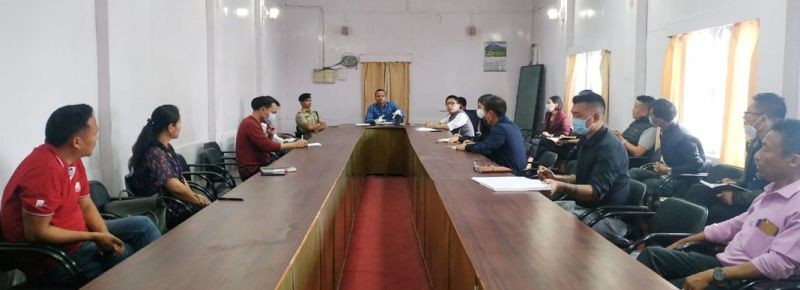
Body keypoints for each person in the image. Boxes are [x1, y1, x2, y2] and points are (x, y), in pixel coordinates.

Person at [1, 104, 160, 285]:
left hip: (78, 237)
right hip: (54, 260)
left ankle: (166, 279)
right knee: (124, 255)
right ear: (77, 142)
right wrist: (95, 237)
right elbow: (36, 233)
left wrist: (103, 236)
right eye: (95, 132)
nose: (97, 137)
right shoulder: (45, 170)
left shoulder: (73, 161)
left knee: (144, 226)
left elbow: (85, 204)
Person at [638, 119, 800, 290]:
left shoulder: (796, 206)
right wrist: (684, 241)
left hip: (747, 282)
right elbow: (736, 224)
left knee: (666, 286)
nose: (757, 156)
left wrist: (714, 275)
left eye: (765, 149)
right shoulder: (769, 193)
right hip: (724, 266)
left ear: (793, 161)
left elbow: (778, 264)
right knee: (652, 256)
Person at [537, 91, 630, 240]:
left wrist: (560, 186)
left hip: (607, 216)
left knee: (557, 225)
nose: (574, 119)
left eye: (578, 116)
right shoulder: (586, 140)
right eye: (573, 114)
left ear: (595, 117)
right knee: (545, 210)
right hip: (585, 207)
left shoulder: (610, 147)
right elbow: (581, 176)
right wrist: (556, 177)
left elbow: (595, 191)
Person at [685, 93, 786, 224]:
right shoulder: (754, 143)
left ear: (763, 119)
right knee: (698, 190)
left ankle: (697, 239)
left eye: (748, 112)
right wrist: (734, 183)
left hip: (757, 204)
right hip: (746, 195)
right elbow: (748, 179)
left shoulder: (782, 151)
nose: (744, 117)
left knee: (715, 212)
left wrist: (736, 197)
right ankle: (680, 234)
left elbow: (773, 192)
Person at [127, 105, 211, 227]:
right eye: (179, 123)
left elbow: (180, 179)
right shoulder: (155, 153)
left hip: (176, 202)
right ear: (171, 127)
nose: (181, 127)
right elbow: (175, 188)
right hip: (165, 209)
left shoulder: (167, 148)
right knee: (208, 214)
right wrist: (196, 201)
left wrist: (193, 196)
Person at [629, 98, 705, 198]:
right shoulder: (666, 130)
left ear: (660, 120)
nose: (650, 117)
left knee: (647, 184)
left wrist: (669, 169)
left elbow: (697, 165)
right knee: (633, 172)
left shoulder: (684, 137)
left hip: (682, 181)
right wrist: (661, 167)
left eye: (652, 115)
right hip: (670, 175)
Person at [237, 96, 308, 181]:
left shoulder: (255, 122)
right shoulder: (250, 123)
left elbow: (264, 147)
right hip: (252, 169)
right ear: (263, 109)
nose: (273, 116)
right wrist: (295, 144)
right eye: (273, 113)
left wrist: (270, 135)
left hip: (261, 164)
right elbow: (268, 147)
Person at [456, 95, 526, 175]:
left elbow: (485, 148)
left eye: (484, 112)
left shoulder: (500, 128)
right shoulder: (512, 125)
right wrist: (469, 141)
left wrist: (466, 147)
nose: (484, 117)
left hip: (510, 173)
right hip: (512, 170)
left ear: (490, 113)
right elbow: (486, 141)